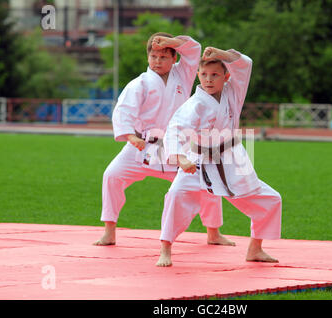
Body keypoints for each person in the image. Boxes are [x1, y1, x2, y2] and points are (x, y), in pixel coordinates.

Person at [93, 33, 233, 247]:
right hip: (143, 145)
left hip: (177, 146)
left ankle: (213, 232)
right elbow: (124, 111)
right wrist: (130, 136)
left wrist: (170, 42)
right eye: (154, 56)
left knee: (207, 182)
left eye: (164, 57)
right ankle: (109, 231)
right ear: (148, 58)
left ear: (174, 58)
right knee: (111, 176)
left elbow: (194, 48)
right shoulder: (139, 83)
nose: (158, 61)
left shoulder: (184, 75)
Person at [156, 46, 282, 267]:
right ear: (198, 76)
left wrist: (223, 55)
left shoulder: (234, 91)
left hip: (232, 158)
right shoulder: (195, 104)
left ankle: (255, 249)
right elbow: (175, 128)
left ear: (226, 76)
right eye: (204, 75)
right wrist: (180, 158)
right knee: (175, 195)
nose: (209, 80)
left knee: (271, 200)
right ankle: (165, 249)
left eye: (215, 75)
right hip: (198, 160)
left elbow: (246, 63)